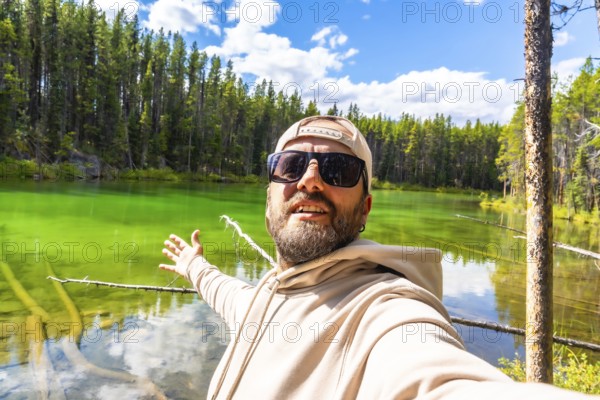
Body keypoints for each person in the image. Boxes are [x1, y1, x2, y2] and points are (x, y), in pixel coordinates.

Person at [160, 116, 594, 400]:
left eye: (338, 171)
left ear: (364, 210)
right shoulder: (272, 295)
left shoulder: (385, 311)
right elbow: (239, 301)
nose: (310, 180)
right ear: (269, 195)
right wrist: (196, 267)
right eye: (291, 166)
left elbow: (439, 381)